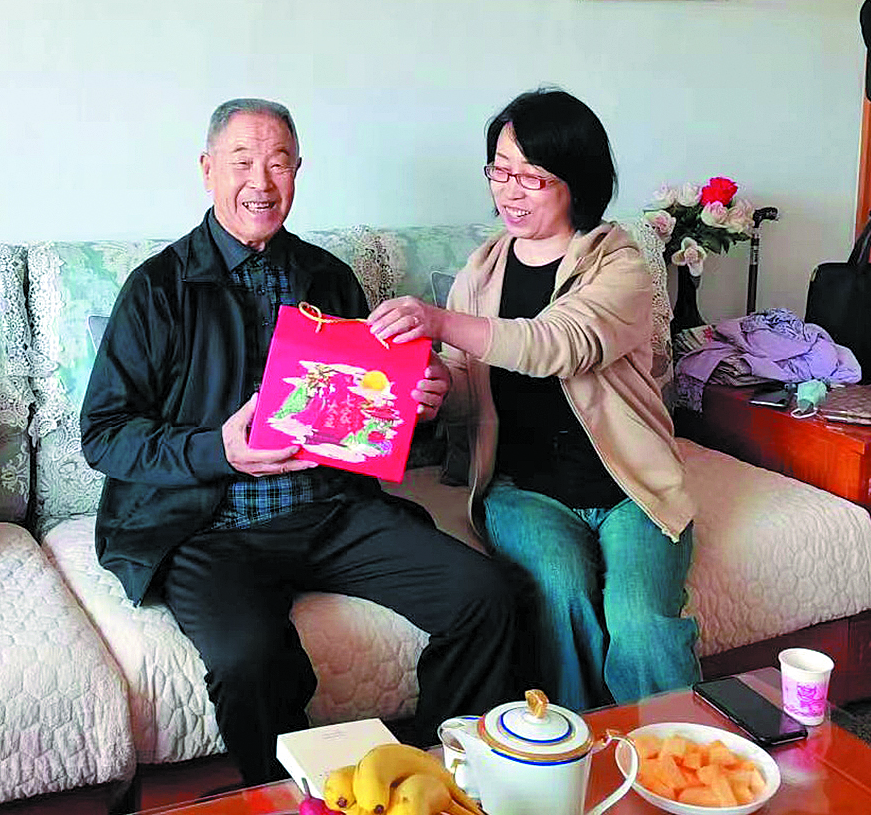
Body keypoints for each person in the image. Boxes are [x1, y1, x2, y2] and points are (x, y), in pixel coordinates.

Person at [80, 98, 519, 784]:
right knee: (250, 659)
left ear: (297, 171)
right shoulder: (158, 289)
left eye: (278, 163)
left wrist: (419, 405)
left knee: (484, 595)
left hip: (331, 510)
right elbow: (104, 435)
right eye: (242, 162)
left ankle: (433, 776)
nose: (261, 181)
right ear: (207, 170)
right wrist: (217, 450)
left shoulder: (327, 276)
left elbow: (369, 421)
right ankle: (289, 796)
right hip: (207, 527)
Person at [368, 87, 699, 712]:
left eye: (533, 177)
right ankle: (576, 748)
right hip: (523, 490)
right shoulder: (480, 274)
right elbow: (468, 386)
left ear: (577, 181)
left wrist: (440, 322)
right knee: (559, 596)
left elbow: (560, 344)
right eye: (500, 171)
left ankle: (672, 752)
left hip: (631, 489)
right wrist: (435, 391)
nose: (510, 192)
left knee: (640, 622)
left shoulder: (620, 265)